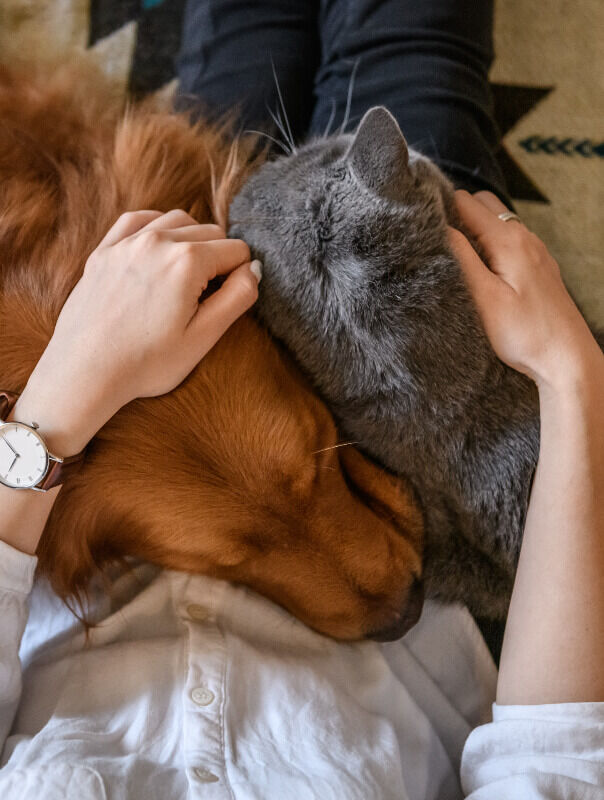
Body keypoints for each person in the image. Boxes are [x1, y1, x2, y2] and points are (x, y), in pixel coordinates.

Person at [1, 3, 603, 799]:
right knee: (412, 50)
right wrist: (571, 379)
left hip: (125, 379)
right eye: (243, 553)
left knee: (243, 42)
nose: (376, 590)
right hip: (412, 418)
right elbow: (554, 764)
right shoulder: (379, 584)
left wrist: (58, 401)